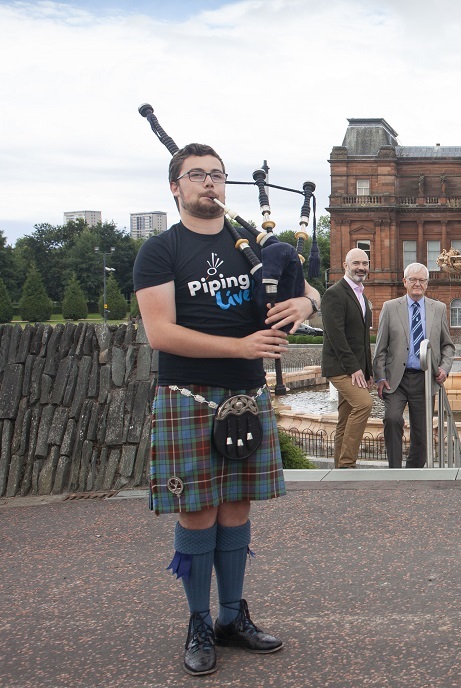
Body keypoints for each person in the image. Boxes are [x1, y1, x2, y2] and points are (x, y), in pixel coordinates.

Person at [134, 143, 319, 676]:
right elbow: (160, 332)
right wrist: (241, 348)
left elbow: (304, 287)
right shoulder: (160, 251)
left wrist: (303, 303)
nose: (209, 184)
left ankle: (232, 616)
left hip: (245, 395)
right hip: (188, 393)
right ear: (176, 187)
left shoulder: (249, 244)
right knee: (198, 513)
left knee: (237, 508)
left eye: (217, 175)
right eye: (198, 175)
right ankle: (197, 620)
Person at [373, 263, 456, 468]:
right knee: (392, 420)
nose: (417, 284)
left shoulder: (438, 308)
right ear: (405, 282)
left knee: (422, 431)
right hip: (396, 380)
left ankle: (414, 472)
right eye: (413, 280)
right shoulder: (390, 307)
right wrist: (380, 377)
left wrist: (444, 368)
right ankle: (395, 470)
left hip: (425, 379)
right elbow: (380, 347)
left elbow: (448, 346)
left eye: (422, 280)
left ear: (427, 284)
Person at [322, 248, 373, 469]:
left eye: (365, 263)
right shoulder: (335, 293)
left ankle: (339, 467)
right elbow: (336, 336)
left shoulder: (362, 295)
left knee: (345, 417)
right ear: (346, 265)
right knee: (363, 404)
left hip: (354, 367)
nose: (361, 267)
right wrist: (354, 368)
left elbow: (363, 339)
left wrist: (368, 371)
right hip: (339, 367)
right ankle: (347, 463)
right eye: (356, 263)